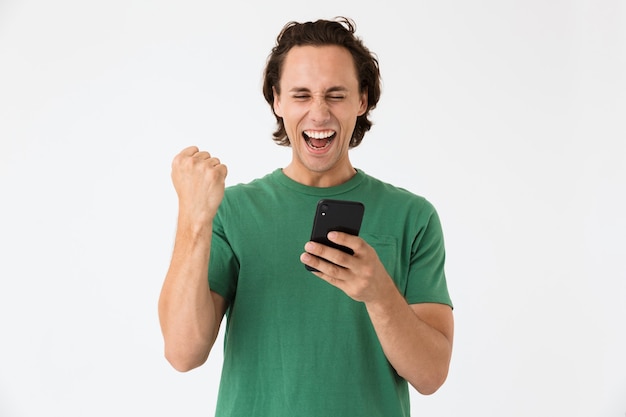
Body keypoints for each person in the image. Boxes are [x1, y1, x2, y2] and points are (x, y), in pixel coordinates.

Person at [158, 17, 454, 417]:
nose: (318, 113)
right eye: (301, 95)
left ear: (362, 100)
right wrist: (193, 220)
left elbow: (431, 375)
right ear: (277, 100)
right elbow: (182, 352)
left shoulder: (413, 217)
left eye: (335, 95)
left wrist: (379, 293)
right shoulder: (232, 211)